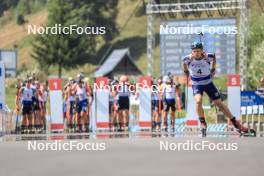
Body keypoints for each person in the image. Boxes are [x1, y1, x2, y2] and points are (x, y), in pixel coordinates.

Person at [182, 41, 256, 137]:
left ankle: (236, 123)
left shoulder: (207, 56)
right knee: (198, 100)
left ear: (202, 51)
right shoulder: (188, 58)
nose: (196, 53)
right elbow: (183, 63)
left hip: (208, 83)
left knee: (219, 104)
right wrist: (186, 71)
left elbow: (214, 57)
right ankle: (203, 123)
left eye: (198, 51)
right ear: (192, 51)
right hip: (197, 85)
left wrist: (213, 69)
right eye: (194, 51)